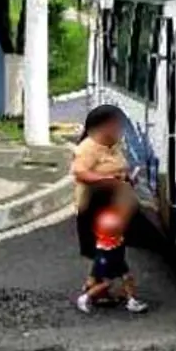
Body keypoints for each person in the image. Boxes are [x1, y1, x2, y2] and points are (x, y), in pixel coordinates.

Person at [72, 105, 138, 260]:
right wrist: (108, 180)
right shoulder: (88, 148)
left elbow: (118, 168)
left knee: (112, 250)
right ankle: (107, 281)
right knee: (103, 252)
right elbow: (80, 173)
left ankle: (101, 280)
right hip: (93, 206)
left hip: (114, 206)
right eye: (116, 125)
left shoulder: (113, 144)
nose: (120, 129)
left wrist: (127, 178)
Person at [76, 184, 149, 314]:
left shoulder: (105, 214)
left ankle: (131, 301)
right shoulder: (109, 219)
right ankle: (85, 298)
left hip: (114, 252)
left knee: (127, 277)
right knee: (107, 282)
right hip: (109, 254)